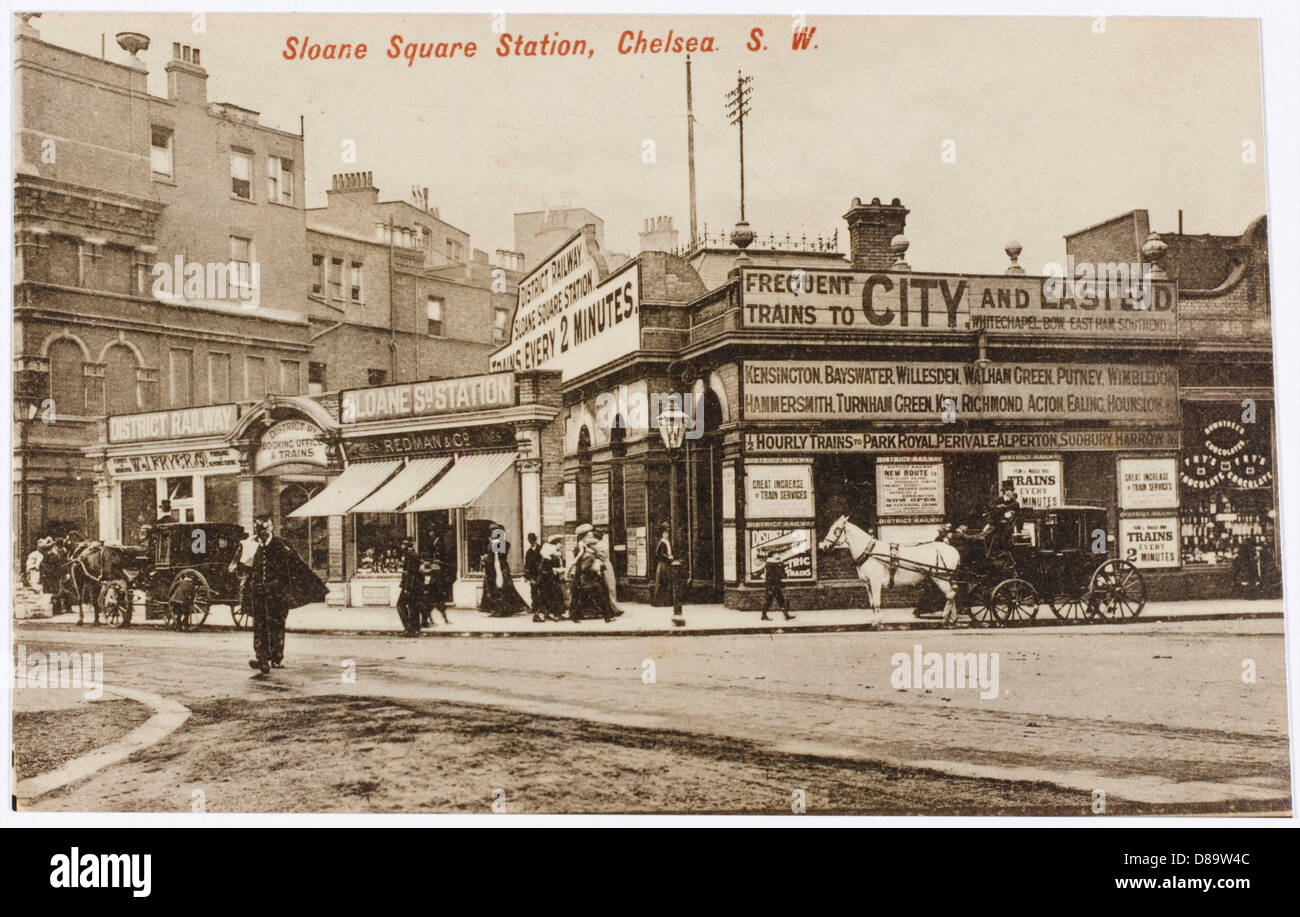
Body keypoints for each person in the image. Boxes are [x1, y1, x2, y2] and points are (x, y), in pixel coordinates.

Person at [246, 514, 328, 674]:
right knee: (259, 625)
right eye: (258, 528)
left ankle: (276, 658)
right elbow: (251, 568)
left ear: (270, 528)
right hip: (259, 593)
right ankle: (261, 658)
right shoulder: (254, 546)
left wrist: (283, 588)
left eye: (264, 527)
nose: (261, 532)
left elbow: (294, 566)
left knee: (276, 625)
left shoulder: (280, 545)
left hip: (276, 594)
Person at [478, 526, 529, 617]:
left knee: (498, 588)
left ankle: (500, 609)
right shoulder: (502, 543)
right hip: (496, 567)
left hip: (497, 568)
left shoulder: (497, 544)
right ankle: (500, 609)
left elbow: (497, 557)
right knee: (499, 587)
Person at [759, 545, 795, 622]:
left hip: (774, 586)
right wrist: (770, 587)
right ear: (773, 555)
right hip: (772, 586)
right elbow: (771, 576)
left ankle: (785, 615)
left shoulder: (774, 563)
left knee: (780, 600)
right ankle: (764, 615)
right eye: (776, 553)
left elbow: (779, 572)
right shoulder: (771, 564)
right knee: (770, 601)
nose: (778, 554)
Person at [535, 534, 566, 621]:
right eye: (559, 542)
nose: (560, 544)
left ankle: (555, 614)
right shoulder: (548, 554)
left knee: (555, 596)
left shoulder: (555, 554)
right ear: (554, 543)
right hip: (547, 579)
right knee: (548, 596)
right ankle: (542, 615)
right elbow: (548, 567)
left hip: (552, 578)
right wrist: (557, 569)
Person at [396, 538, 423, 637]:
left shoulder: (410, 556)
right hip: (415, 586)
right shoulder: (414, 555)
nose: (401, 547)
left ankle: (409, 629)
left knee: (400, 606)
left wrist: (407, 588)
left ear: (407, 546)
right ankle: (415, 630)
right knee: (413, 607)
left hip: (410, 586)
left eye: (403, 545)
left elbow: (411, 574)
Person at [651, 523, 674, 606]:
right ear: (662, 534)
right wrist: (668, 557)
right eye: (665, 533)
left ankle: (667, 601)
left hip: (667, 564)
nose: (666, 534)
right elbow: (658, 553)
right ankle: (659, 602)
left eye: (667, 533)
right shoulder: (662, 542)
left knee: (667, 582)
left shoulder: (667, 542)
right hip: (663, 564)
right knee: (662, 582)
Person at [523, 533, 543, 622]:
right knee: (534, 592)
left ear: (535, 539)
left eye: (533, 539)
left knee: (542, 592)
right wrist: (526, 576)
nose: (531, 541)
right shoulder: (528, 552)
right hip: (533, 576)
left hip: (541, 575)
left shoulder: (541, 549)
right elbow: (527, 565)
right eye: (530, 540)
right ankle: (536, 609)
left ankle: (542, 609)